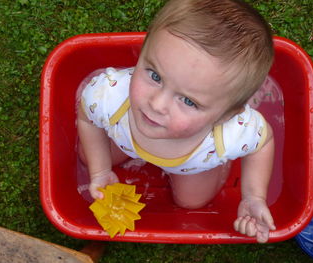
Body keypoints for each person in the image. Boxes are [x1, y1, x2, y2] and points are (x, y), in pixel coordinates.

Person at [77, 0, 276, 243]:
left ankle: (218, 168)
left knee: (191, 202)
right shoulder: (110, 96)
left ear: (225, 115)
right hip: (124, 135)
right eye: (155, 75)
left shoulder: (231, 133)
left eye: (189, 101)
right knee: (88, 157)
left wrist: (253, 196)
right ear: (141, 54)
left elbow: (263, 142)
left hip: (193, 164)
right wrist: (100, 170)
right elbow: (87, 118)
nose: (157, 104)